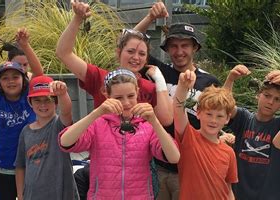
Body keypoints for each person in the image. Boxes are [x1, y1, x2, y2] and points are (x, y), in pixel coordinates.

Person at [135, 3, 221, 198]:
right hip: (158, 166)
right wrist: (149, 17)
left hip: (192, 168)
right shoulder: (158, 72)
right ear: (167, 49)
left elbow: (218, 118)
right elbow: (130, 43)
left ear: (195, 48)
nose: (179, 51)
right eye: (173, 46)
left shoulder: (210, 82)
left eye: (185, 45)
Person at [58, 69, 180, 199]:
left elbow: (174, 157)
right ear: (107, 95)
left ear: (138, 92)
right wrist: (97, 113)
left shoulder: (147, 125)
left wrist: (155, 121)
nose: (126, 102)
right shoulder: (98, 124)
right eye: (119, 98)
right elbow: (65, 141)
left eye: (131, 96)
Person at [55, 0, 172, 126]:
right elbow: (64, 53)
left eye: (142, 54)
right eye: (131, 51)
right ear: (119, 52)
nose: (136, 57)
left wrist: (159, 80)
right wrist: (77, 18)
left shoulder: (149, 87)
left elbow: (166, 120)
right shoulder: (100, 78)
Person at [223, 65, 280, 200]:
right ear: (258, 95)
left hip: (271, 194)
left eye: (277, 99)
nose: (270, 102)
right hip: (239, 193)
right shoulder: (244, 119)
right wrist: (231, 79)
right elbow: (223, 106)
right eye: (267, 95)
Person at [0, 28, 43, 200]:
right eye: (5, 78)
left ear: (24, 80)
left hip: (31, 165)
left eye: (15, 77)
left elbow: (39, 75)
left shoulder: (29, 97)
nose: (10, 81)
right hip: (4, 168)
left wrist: (25, 45)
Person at [173, 70, 238, 199]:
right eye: (209, 114)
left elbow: (228, 189)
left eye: (219, 116)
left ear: (227, 119)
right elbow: (178, 108)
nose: (213, 120)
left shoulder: (229, 152)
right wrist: (182, 85)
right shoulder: (188, 138)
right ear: (198, 113)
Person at [15, 75, 79, 200]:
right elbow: (20, 166)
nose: (43, 104)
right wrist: (20, 195)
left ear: (56, 102)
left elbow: (66, 112)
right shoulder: (25, 132)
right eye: (37, 100)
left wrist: (62, 93)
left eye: (48, 99)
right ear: (30, 103)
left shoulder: (59, 125)